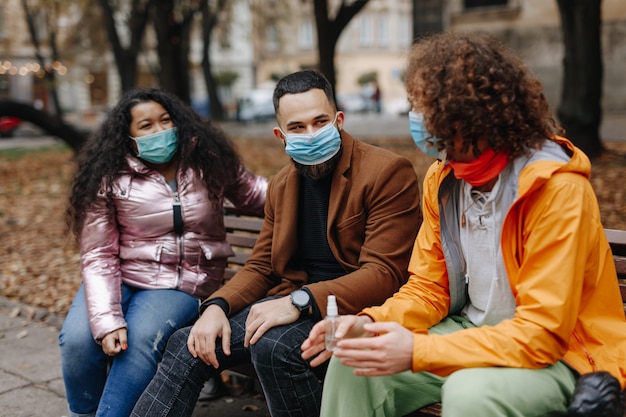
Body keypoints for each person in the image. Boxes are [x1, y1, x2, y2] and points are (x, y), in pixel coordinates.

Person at [302, 32, 626, 417]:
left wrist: (419, 350)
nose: (419, 120)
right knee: (354, 364)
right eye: (416, 107)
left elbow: (542, 334)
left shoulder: (555, 188)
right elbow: (427, 288)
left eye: (429, 108)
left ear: (474, 115)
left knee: (470, 393)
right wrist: (367, 323)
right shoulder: (443, 182)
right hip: (470, 333)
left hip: (562, 355)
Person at [130, 70, 422, 417]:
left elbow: (384, 274)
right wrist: (215, 307)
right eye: (297, 127)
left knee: (274, 347)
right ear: (280, 136)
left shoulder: (386, 172)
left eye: (320, 122)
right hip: (295, 304)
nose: (311, 134)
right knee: (187, 344)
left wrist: (299, 301)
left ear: (339, 120)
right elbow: (262, 264)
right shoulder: (284, 184)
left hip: (353, 309)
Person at [59, 87, 267, 417]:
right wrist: (109, 320)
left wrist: (306, 194)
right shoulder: (108, 176)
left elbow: (256, 194)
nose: (160, 131)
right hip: (124, 276)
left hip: (185, 282)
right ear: (128, 137)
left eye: (165, 121)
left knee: (139, 340)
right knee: (79, 340)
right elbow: (98, 253)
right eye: (146, 126)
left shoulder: (207, 160)